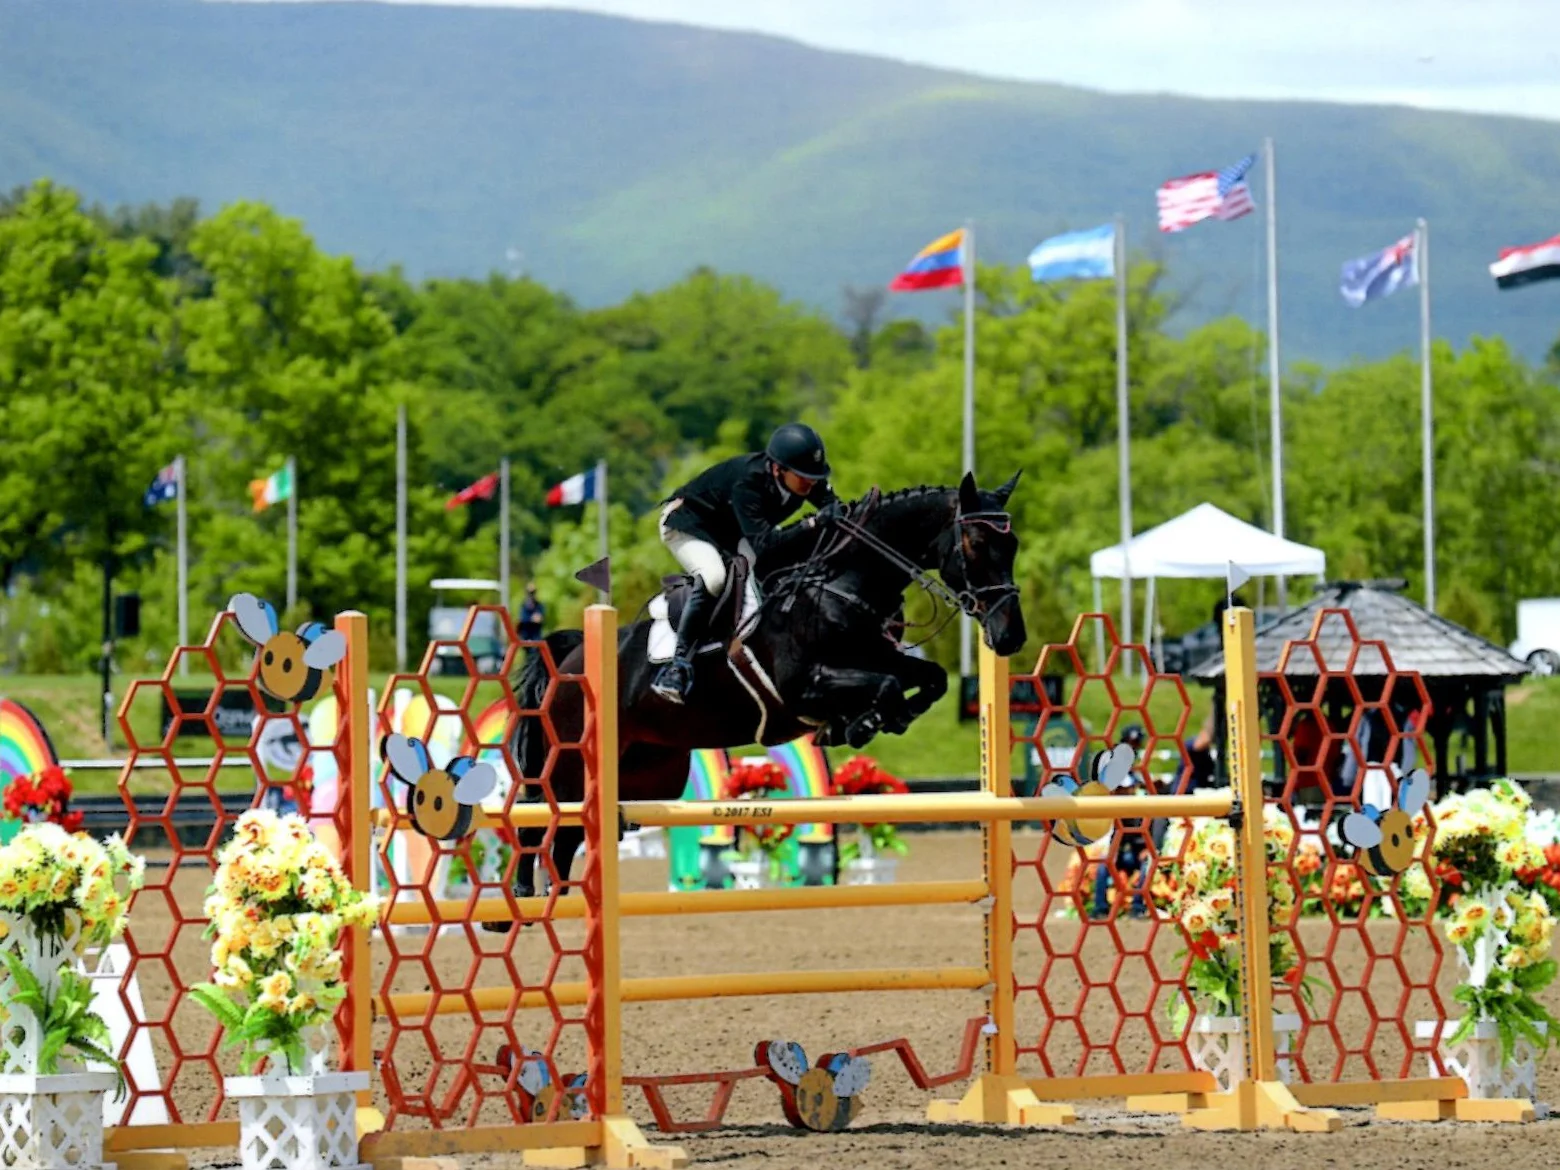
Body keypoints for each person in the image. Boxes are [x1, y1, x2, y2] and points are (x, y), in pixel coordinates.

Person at [651, 423, 841, 704]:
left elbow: (833, 507)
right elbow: (764, 544)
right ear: (778, 469)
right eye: (804, 476)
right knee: (715, 577)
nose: (811, 483)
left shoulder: (803, 477)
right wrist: (811, 524)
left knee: (777, 571)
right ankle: (678, 666)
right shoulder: (748, 484)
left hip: (731, 530)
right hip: (689, 524)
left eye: (815, 476)